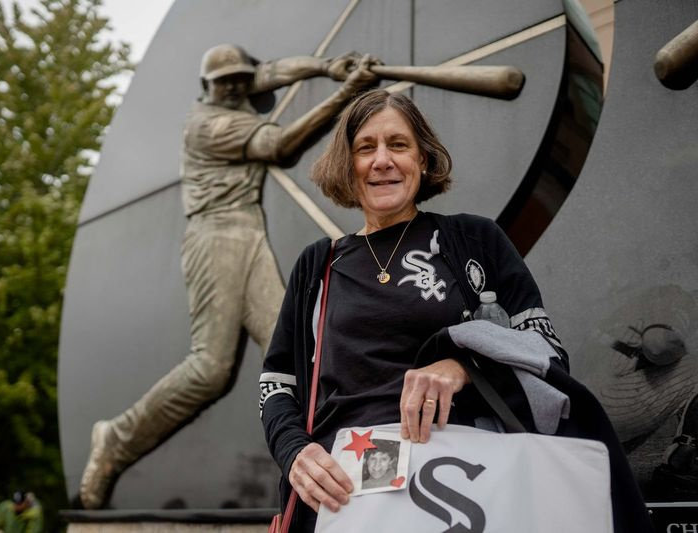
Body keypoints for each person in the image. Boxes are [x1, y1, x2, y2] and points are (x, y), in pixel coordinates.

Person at [259, 89, 652, 532]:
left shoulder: (475, 240)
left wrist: (464, 364)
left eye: (399, 145)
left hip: (465, 481)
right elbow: (276, 386)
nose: (382, 160)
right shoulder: (318, 266)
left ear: (423, 159)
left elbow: (549, 352)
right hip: (344, 495)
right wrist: (294, 451)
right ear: (346, 166)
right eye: (365, 148)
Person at [78, 43, 380, 509]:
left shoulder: (235, 91)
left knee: (302, 351)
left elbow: (274, 71)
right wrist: (346, 93)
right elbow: (279, 147)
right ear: (208, 88)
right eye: (226, 82)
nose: (238, 86)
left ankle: (338, 463)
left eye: (241, 78)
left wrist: (325, 66)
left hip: (248, 231)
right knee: (210, 369)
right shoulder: (207, 124)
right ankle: (115, 440)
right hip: (215, 234)